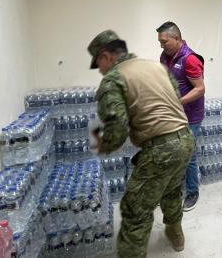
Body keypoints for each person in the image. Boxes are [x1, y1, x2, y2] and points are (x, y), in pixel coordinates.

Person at [88, 30, 195, 256]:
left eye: (98, 63)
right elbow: (175, 101)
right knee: (171, 190)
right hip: (186, 139)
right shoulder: (158, 67)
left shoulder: (113, 79)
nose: (100, 70)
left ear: (107, 56)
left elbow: (117, 130)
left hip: (161, 149)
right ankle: (176, 233)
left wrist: (101, 144)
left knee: (135, 210)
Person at [156, 21, 205, 212]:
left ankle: (192, 192)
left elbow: (200, 89)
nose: (161, 45)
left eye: (164, 41)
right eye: (160, 42)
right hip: (173, 114)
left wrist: (178, 102)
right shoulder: (164, 56)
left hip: (190, 116)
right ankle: (173, 191)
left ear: (176, 39)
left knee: (188, 155)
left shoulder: (190, 59)